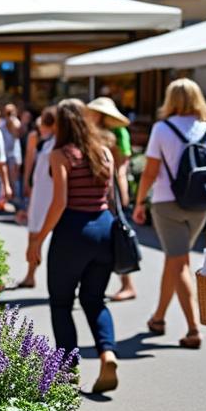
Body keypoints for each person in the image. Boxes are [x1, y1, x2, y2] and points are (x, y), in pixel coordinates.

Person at [29, 99, 125, 394]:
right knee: (95, 301)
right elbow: (110, 197)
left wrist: (38, 238)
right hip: (104, 230)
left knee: (61, 302)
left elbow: (59, 202)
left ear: (60, 124)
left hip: (72, 231)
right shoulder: (104, 152)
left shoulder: (61, 155)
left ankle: (67, 371)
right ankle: (107, 354)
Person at [132, 79, 206, 350]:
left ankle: (194, 328)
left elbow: (150, 171)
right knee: (175, 261)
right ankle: (158, 318)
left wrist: (139, 203)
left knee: (178, 262)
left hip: (167, 202)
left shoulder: (162, 129)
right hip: (199, 205)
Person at [87, 96, 138, 302]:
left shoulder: (118, 133)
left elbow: (122, 166)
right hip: (97, 185)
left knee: (117, 234)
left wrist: (122, 190)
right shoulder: (92, 133)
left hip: (110, 188)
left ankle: (127, 284)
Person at [15, 108, 57, 288]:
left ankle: (32, 274)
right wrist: (27, 183)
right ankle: (31, 274)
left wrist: (28, 183)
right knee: (34, 234)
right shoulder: (41, 140)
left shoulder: (59, 143)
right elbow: (31, 162)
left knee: (37, 235)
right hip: (41, 192)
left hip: (49, 193)